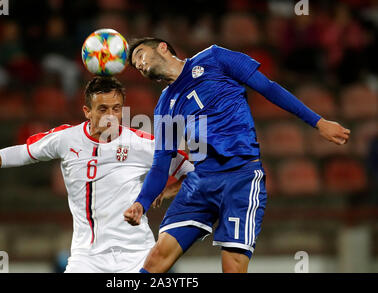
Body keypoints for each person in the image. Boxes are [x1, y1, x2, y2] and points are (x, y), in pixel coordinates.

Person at [124, 38, 351, 273]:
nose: (138, 64)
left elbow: (268, 88)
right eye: (134, 64)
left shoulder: (214, 58)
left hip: (240, 177)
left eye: (140, 54)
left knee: (232, 267)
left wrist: (318, 121)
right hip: (200, 181)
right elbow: (161, 163)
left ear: (163, 46)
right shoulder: (165, 104)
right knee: (156, 259)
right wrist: (142, 203)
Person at [0, 76, 194, 273]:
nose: (111, 116)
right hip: (87, 256)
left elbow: (191, 170)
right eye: (102, 109)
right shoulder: (66, 139)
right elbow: (24, 152)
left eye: (116, 109)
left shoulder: (142, 143)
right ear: (87, 112)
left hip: (137, 254)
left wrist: (168, 189)